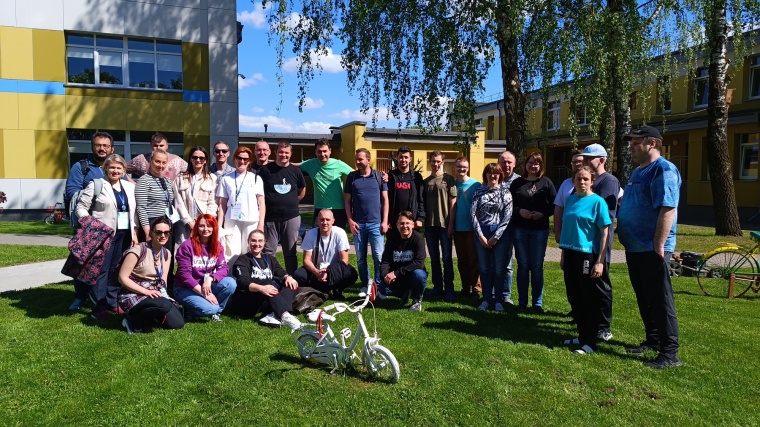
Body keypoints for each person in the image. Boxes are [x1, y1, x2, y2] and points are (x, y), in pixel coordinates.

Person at [617, 125, 682, 369]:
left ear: (652, 143)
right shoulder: (638, 171)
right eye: (630, 143)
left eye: (636, 142)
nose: (631, 147)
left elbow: (668, 208)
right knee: (645, 297)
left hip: (652, 248)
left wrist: (659, 244)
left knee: (660, 300)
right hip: (635, 247)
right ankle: (653, 340)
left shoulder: (663, 170)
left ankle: (669, 353)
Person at [75, 154, 137, 319]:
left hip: (124, 234)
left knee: (116, 269)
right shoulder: (97, 184)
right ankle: (98, 307)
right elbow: (81, 207)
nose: (115, 171)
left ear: (124, 170)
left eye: (119, 168)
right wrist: (90, 224)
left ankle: (112, 301)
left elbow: (134, 212)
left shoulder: (129, 187)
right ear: (106, 169)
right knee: (101, 271)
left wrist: (135, 233)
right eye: (112, 167)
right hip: (103, 235)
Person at [559, 166, 612, 355]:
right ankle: (581, 336)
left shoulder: (598, 202)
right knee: (575, 297)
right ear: (573, 181)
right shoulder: (570, 200)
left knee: (588, 298)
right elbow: (567, 229)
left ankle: (590, 341)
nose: (582, 182)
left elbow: (605, 233)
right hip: (570, 253)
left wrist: (600, 261)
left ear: (592, 181)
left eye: (585, 179)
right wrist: (563, 254)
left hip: (586, 255)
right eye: (578, 179)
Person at [64, 131, 115, 311]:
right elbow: (71, 192)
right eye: (98, 145)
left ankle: (105, 297)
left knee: (107, 264)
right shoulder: (81, 167)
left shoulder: (115, 166)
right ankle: (80, 297)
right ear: (92, 147)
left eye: (105, 146)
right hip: (89, 226)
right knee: (83, 263)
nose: (102, 149)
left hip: (110, 224)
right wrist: (95, 193)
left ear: (112, 148)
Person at [578, 144, 620, 342]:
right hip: (586, 241)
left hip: (600, 241)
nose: (584, 161)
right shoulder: (591, 179)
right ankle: (590, 322)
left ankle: (604, 327)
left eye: (589, 158)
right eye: (584, 158)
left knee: (601, 282)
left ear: (602, 160)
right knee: (588, 283)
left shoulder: (609, 181)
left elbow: (600, 211)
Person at [118, 217, 184, 334]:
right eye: (159, 232)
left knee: (177, 323)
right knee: (163, 305)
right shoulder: (138, 250)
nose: (163, 236)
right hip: (133, 293)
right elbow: (122, 278)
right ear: (151, 233)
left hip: (154, 294)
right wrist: (146, 292)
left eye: (166, 232)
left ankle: (151, 316)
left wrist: (164, 295)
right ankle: (131, 321)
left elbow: (163, 280)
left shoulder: (167, 253)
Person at [510, 152, 556, 312]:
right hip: (520, 228)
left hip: (540, 230)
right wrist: (519, 211)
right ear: (525, 165)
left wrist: (543, 214)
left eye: (536, 163)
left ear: (540, 166)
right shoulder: (517, 183)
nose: (532, 166)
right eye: (530, 162)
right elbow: (509, 205)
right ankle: (522, 302)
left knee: (537, 266)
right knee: (523, 265)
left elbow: (555, 205)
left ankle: (537, 303)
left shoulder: (546, 182)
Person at [231, 229, 302, 329]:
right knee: (267, 283)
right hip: (247, 300)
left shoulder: (269, 258)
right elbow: (243, 282)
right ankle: (285, 316)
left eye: (260, 241)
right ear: (248, 242)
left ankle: (273, 314)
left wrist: (288, 277)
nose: (257, 244)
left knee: (291, 284)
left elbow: (280, 271)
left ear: (265, 242)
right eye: (253, 241)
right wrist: (261, 288)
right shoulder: (242, 260)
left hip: (266, 297)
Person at [173, 214, 237, 321]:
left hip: (205, 284)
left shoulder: (217, 245)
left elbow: (223, 268)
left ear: (214, 228)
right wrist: (205, 294)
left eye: (209, 226)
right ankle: (189, 309)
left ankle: (216, 312)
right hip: (185, 288)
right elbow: (185, 276)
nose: (205, 229)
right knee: (210, 308)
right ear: (197, 227)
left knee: (230, 283)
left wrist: (210, 279)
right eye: (202, 226)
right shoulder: (187, 246)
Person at [344, 148, 389, 297]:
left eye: (360, 159)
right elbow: (347, 201)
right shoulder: (352, 177)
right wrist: (350, 220)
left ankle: (378, 287)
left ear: (368, 160)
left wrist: (385, 221)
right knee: (360, 258)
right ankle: (365, 285)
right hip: (358, 225)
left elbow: (385, 200)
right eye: (356, 159)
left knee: (379, 257)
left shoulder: (379, 176)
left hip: (376, 224)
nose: (357, 162)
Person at [471, 163, 513, 311]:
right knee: (484, 269)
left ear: (500, 175)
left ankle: (498, 300)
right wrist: (480, 236)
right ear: (485, 175)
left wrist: (496, 236)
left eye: (496, 173)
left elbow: (507, 217)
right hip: (482, 231)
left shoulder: (505, 192)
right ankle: (486, 299)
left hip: (500, 233)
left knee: (499, 269)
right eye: (489, 172)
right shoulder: (479, 192)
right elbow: (473, 215)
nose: (492, 175)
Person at [263, 141, 307, 274]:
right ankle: (268, 278)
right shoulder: (265, 170)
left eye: (286, 152)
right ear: (275, 152)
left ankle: (292, 278)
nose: (283, 155)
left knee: (290, 251)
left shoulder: (296, 171)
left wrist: (292, 201)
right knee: (269, 251)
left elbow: (302, 190)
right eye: (281, 152)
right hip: (270, 218)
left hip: (291, 217)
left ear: (291, 154)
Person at [292, 209, 358, 297]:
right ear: (317, 221)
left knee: (351, 274)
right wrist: (317, 272)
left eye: (328, 219)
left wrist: (329, 271)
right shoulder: (311, 234)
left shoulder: (340, 233)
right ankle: (324, 288)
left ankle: (335, 289)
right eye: (322, 219)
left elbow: (345, 260)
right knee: (298, 274)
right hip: (316, 269)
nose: (325, 222)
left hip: (334, 270)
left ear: (333, 221)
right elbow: (306, 260)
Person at [216, 146, 266, 260]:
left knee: (249, 251)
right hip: (232, 221)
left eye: (245, 159)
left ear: (249, 161)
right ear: (234, 159)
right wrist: (219, 226)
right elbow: (222, 205)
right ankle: (230, 272)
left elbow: (261, 204)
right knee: (231, 252)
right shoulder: (226, 179)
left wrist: (261, 225)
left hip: (251, 221)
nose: (242, 161)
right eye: (239, 158)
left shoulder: (256, 179)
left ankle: (248, 272)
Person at [423, 151, 457, 301]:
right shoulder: (426, 182)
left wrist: (451, 225)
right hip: (430, 226)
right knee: (434, 259)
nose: (435, 164)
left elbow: (453, 203)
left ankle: (449, 289)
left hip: (445, 225)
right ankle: (437, 287)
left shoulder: (449, 179)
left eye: (438, 161)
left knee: (447, 259)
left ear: (442, 162)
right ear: (429, 161)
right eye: (433, 161)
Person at [299, 138, 354, 229]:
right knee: (318, 236)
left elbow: (356, 174)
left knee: (338, 236)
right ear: (315, 152)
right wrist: (272, 163)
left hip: (338, 208)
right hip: (320, 208)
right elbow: (291, 165)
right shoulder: (310, 164)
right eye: (319, 151)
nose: (322, 154)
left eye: (325, 151)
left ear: (330, 151)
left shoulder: (338, 164)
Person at [380, 211, 427, 311]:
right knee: (382, 287)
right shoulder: (392, 239)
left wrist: (396, 273)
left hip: (413, 274)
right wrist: (385, 275)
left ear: (413, 224)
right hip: (399, 278)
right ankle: (404, 294)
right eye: (401, 223)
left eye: (407, 223)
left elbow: (419, 263)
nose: (404, 226)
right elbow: (385, 261)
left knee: (419, 275)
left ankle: (417, 299)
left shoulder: (418, 238)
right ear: (397, 225)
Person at [173, 146, 218, 245]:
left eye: (201, 158)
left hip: (204, 225)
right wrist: (188, 221)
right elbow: (178, 202)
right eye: (195, 157)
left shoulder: (212, 178)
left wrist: (205, 222)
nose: (198, 160)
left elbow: (213, 203)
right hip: (184, 224)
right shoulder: (180, 178)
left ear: (205, 161)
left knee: (204, 249)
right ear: (190, 159)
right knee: (184, 249)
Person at [452, 156, 482, 298]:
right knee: (462, 260)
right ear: (454, 168)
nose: (461, 169)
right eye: (459, 166)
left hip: (472, 228)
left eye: (464, 167)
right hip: (457, 228)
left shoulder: (476, 185)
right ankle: (466, 287)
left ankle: (476, 288)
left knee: (473, 260)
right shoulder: (452, 184)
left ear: (468, 168)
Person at [135, 150, 176, 246]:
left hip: (167, 223)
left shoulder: (167, 181)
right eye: (157, 161)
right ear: (151, 160)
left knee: (167, 253)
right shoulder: (144, 180)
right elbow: (141, 208)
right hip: (152, 224)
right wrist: (147, 231)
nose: (160, 165)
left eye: (164, 162)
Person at [498, 150, 520, 304]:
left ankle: (506, 295)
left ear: (514, 164)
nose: (506, 165)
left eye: (509, 162)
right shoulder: (494, 177)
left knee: (507, 264)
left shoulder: (520, 181)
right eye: (503, 162)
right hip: (494, 227)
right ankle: (493, 293)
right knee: (494, 262)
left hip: (514, 226)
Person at [387, 146, 425, 230]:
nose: (403, 160)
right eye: (401, 157)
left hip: (412, 222)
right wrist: (386, 219)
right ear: (397, 158)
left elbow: (421, 199)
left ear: (410, 159)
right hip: (394, 223)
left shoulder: (416, 177)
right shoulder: (391, 176)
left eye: (406, 157)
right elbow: (385, 199)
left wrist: (420, 218)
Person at [553, 150, 585, 243]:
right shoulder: (566, 183)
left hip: (585, 235)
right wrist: (558, 233)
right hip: (567, 233)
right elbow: (559, 208)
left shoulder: (594, 182)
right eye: (574, 162)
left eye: (580, 161)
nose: (577, 164)